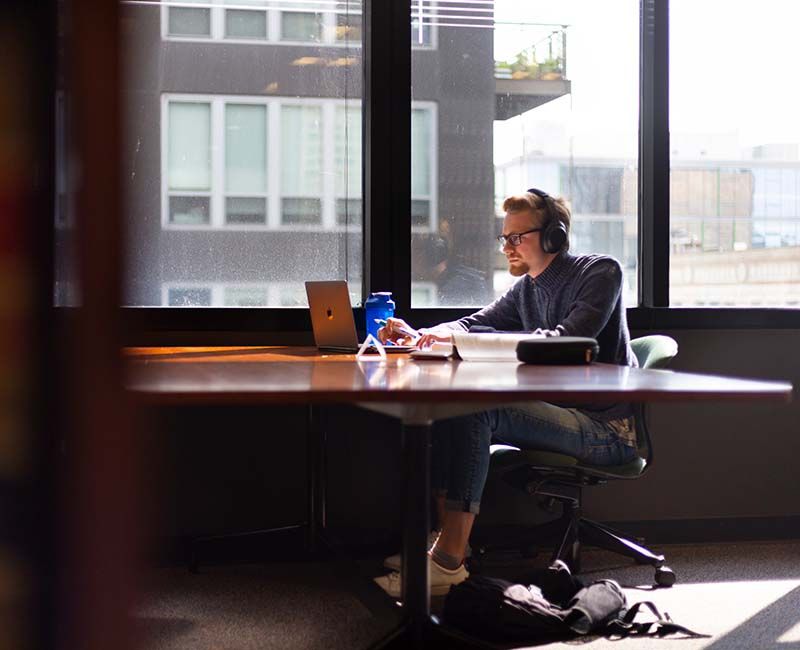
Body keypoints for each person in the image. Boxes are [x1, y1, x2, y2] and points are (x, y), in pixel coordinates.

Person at [374, 189, 639, 598]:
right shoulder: (527, 289)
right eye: (505, 238)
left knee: (477, 411)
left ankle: (448, 562)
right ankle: (444, 546)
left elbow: (565, 341)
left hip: (608, 429)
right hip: (562, 415)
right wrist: (424, 334)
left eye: (518, 237)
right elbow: (475, 321)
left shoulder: (601, 272)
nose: (508, 247)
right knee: (448, 407)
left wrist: (477, 344)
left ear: (554, 236)